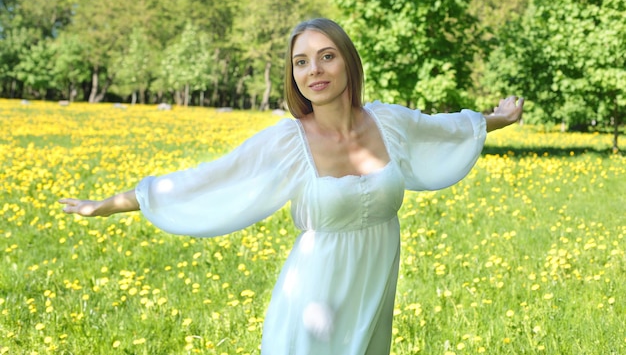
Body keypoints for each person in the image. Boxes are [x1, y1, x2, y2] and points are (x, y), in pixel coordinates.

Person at [60, 18, 524, 355]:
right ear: (294, 75)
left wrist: (497, 118)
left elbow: (442, 130)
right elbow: (204, 181)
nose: (314, 70)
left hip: (372, 288)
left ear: (347, 63)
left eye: (326, 56)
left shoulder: (389, 123)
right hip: (312, 301)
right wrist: (108, 204)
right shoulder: (288, 142)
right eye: (301, 61)